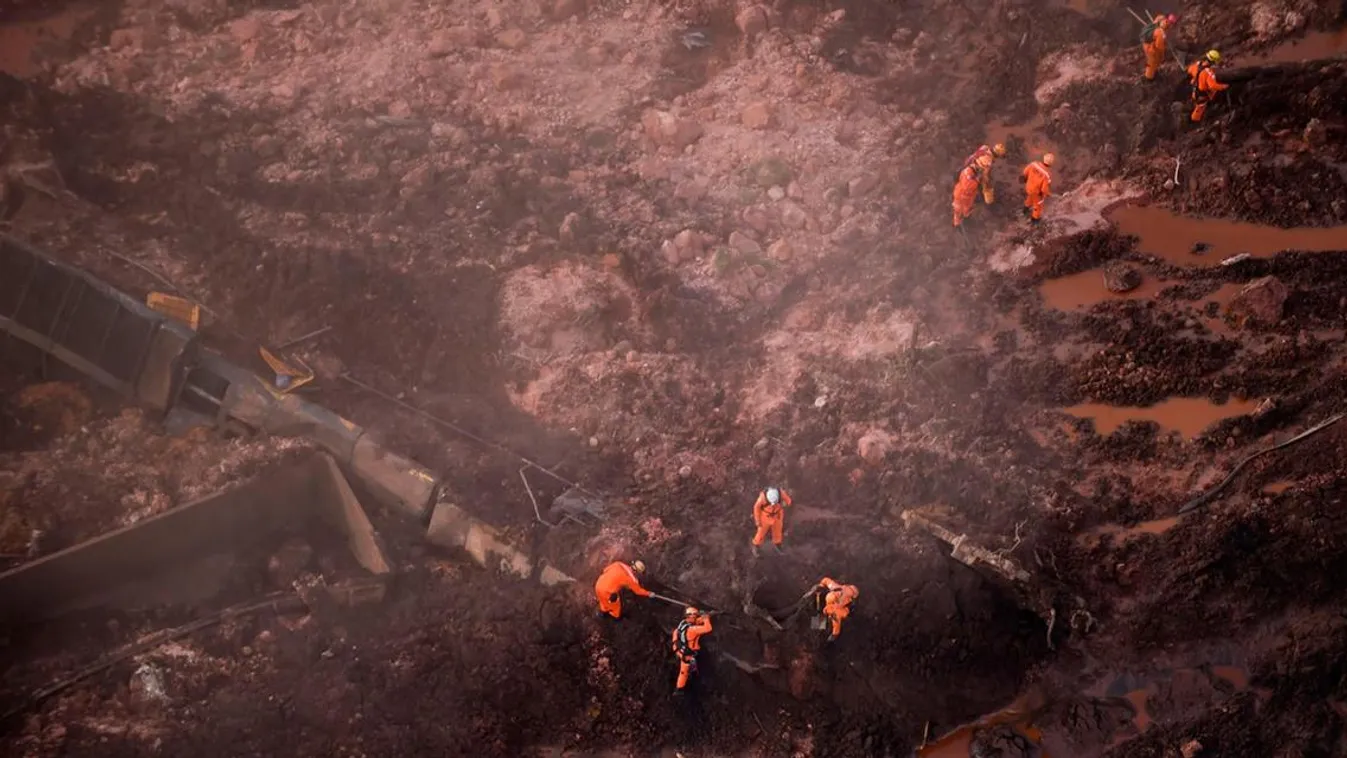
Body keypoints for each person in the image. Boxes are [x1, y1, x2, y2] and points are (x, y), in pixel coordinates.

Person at [672, 606, 714, 692]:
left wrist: (708, 615)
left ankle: (692, 674)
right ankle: (679, 689)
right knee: (684, 673)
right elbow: (708, 628)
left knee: (688, 668)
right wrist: (706, 618)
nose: (696, 617)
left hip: (681, 650)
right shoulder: (692, 630)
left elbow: (696, 622)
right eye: (695, 616)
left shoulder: (683, 623)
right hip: (687, 654)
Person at [1187, 49, 1228, 122]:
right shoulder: (1208, 72)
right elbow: (1212, 85)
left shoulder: (1197, 64)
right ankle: (1194, 124)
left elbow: (1189, 70)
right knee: (1197, 116)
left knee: (1195, 107)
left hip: (1194, 91)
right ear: (1213, 61)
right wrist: (1223, 86)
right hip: (1202, 95)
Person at [953, 154, 992, 227]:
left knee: (966, 211)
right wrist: (977, 180)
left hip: (967, 197)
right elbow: (967, 187)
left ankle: (964, 219)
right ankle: (957, 226)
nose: (983, 170)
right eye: (983, 168)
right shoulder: (968, 173)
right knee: (958, 212)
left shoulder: (973, 171)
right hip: (961, 197)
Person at [751, 486, 793, 555]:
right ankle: (756, 545)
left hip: (777, 516)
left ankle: (777, 544)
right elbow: (756, 508)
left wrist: (787, 503)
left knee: (777, 531)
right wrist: (758, 521)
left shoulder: (781, 493)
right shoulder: (762, 498)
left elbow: (788, 500)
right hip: (765, 517)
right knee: (761, 532)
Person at [816, 577, 859, 642]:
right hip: (830, 609)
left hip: (837, 611)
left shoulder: (834, 588)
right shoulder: (835, 589)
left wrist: (834, 635)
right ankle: (819, 630)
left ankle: (820, 632)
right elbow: (826, 581)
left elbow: (826, 580)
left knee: (828, 619)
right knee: (823, 618)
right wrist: (821, 585)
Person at [1141, 13, 1177, 81]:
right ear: (1170, 23)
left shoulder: (1161, 18)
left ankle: (1153, 72)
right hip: (1149, 47)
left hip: (1150, 41)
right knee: (1152, 62)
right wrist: (1162, 55)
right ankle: (1149, 78)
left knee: (1156, 60)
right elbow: (1159, 47)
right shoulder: (1160, 33)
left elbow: (1157, 20)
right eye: (1172, 24)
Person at [1021, 153, 1054, 224]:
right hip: (1037, 193)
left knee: (1030, 198)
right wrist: (1047, 194)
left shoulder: (1033, 164)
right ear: (1051, 163)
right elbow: (1044, 189)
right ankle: (1035, 220)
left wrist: (1024, 177)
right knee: (1038, 206)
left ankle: (1025, 210)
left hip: (1029, 187)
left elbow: (1025, 171)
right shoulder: (1047, 174)